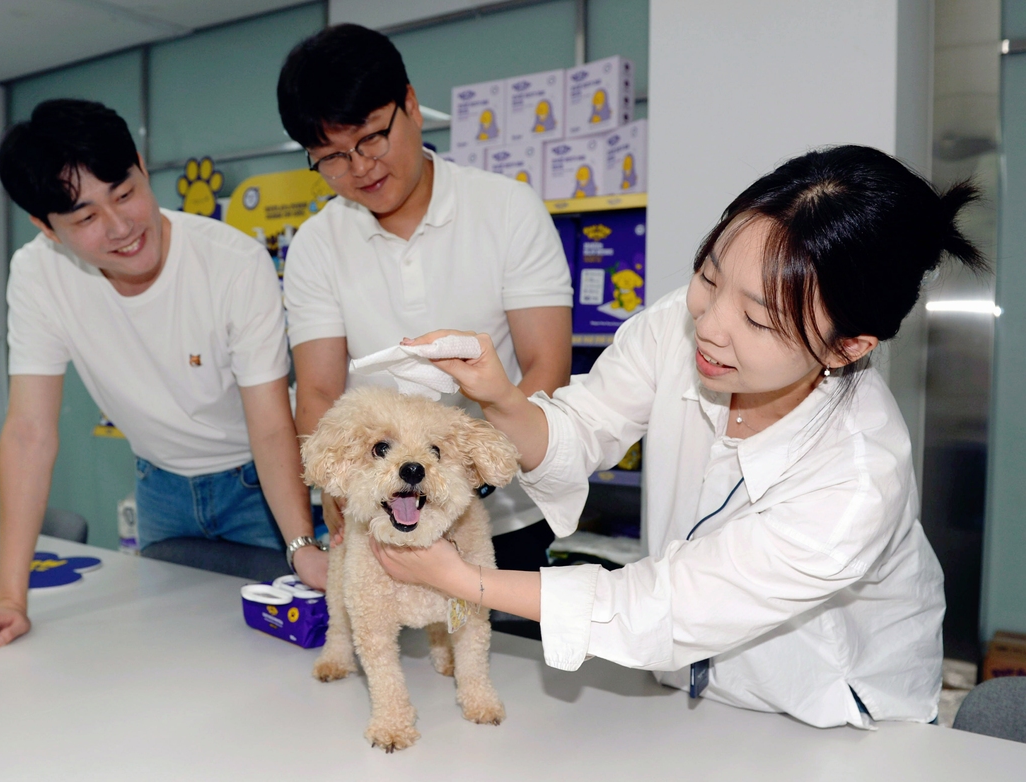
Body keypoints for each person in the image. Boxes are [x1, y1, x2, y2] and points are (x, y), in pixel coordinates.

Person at [371, 145, 984, 727]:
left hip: (833, 711)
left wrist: (460, 580)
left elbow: (666, 604)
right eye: (710, 277)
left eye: (758, 318)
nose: (711, 325)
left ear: (848, 347)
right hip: (690, 693)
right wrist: (500, 395)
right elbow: (583, 428)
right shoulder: (679, 327)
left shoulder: (858, 477)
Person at [0, 99, 326, 659]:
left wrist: (300, 544)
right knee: (169, 647)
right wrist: (10, 600)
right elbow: (29, 432)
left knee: (285, 655)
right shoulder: (38, 275)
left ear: (142, 166)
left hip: (260, 485)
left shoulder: (232, 263)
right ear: (47, 228)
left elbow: (270, 425)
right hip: (159, 486)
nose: (122, 227)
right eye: (87, 218)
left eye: (125, 193)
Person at [276, 24, 574, 576]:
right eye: (332, 158)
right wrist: (336, 481)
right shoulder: (317, 245)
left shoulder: (507, 209)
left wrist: (465, 474)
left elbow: (546, 364)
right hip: (382, 514)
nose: (360, 167)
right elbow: (316, 389)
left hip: (506, 511)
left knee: (492, 654)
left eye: (370, 138)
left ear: (409, 104)